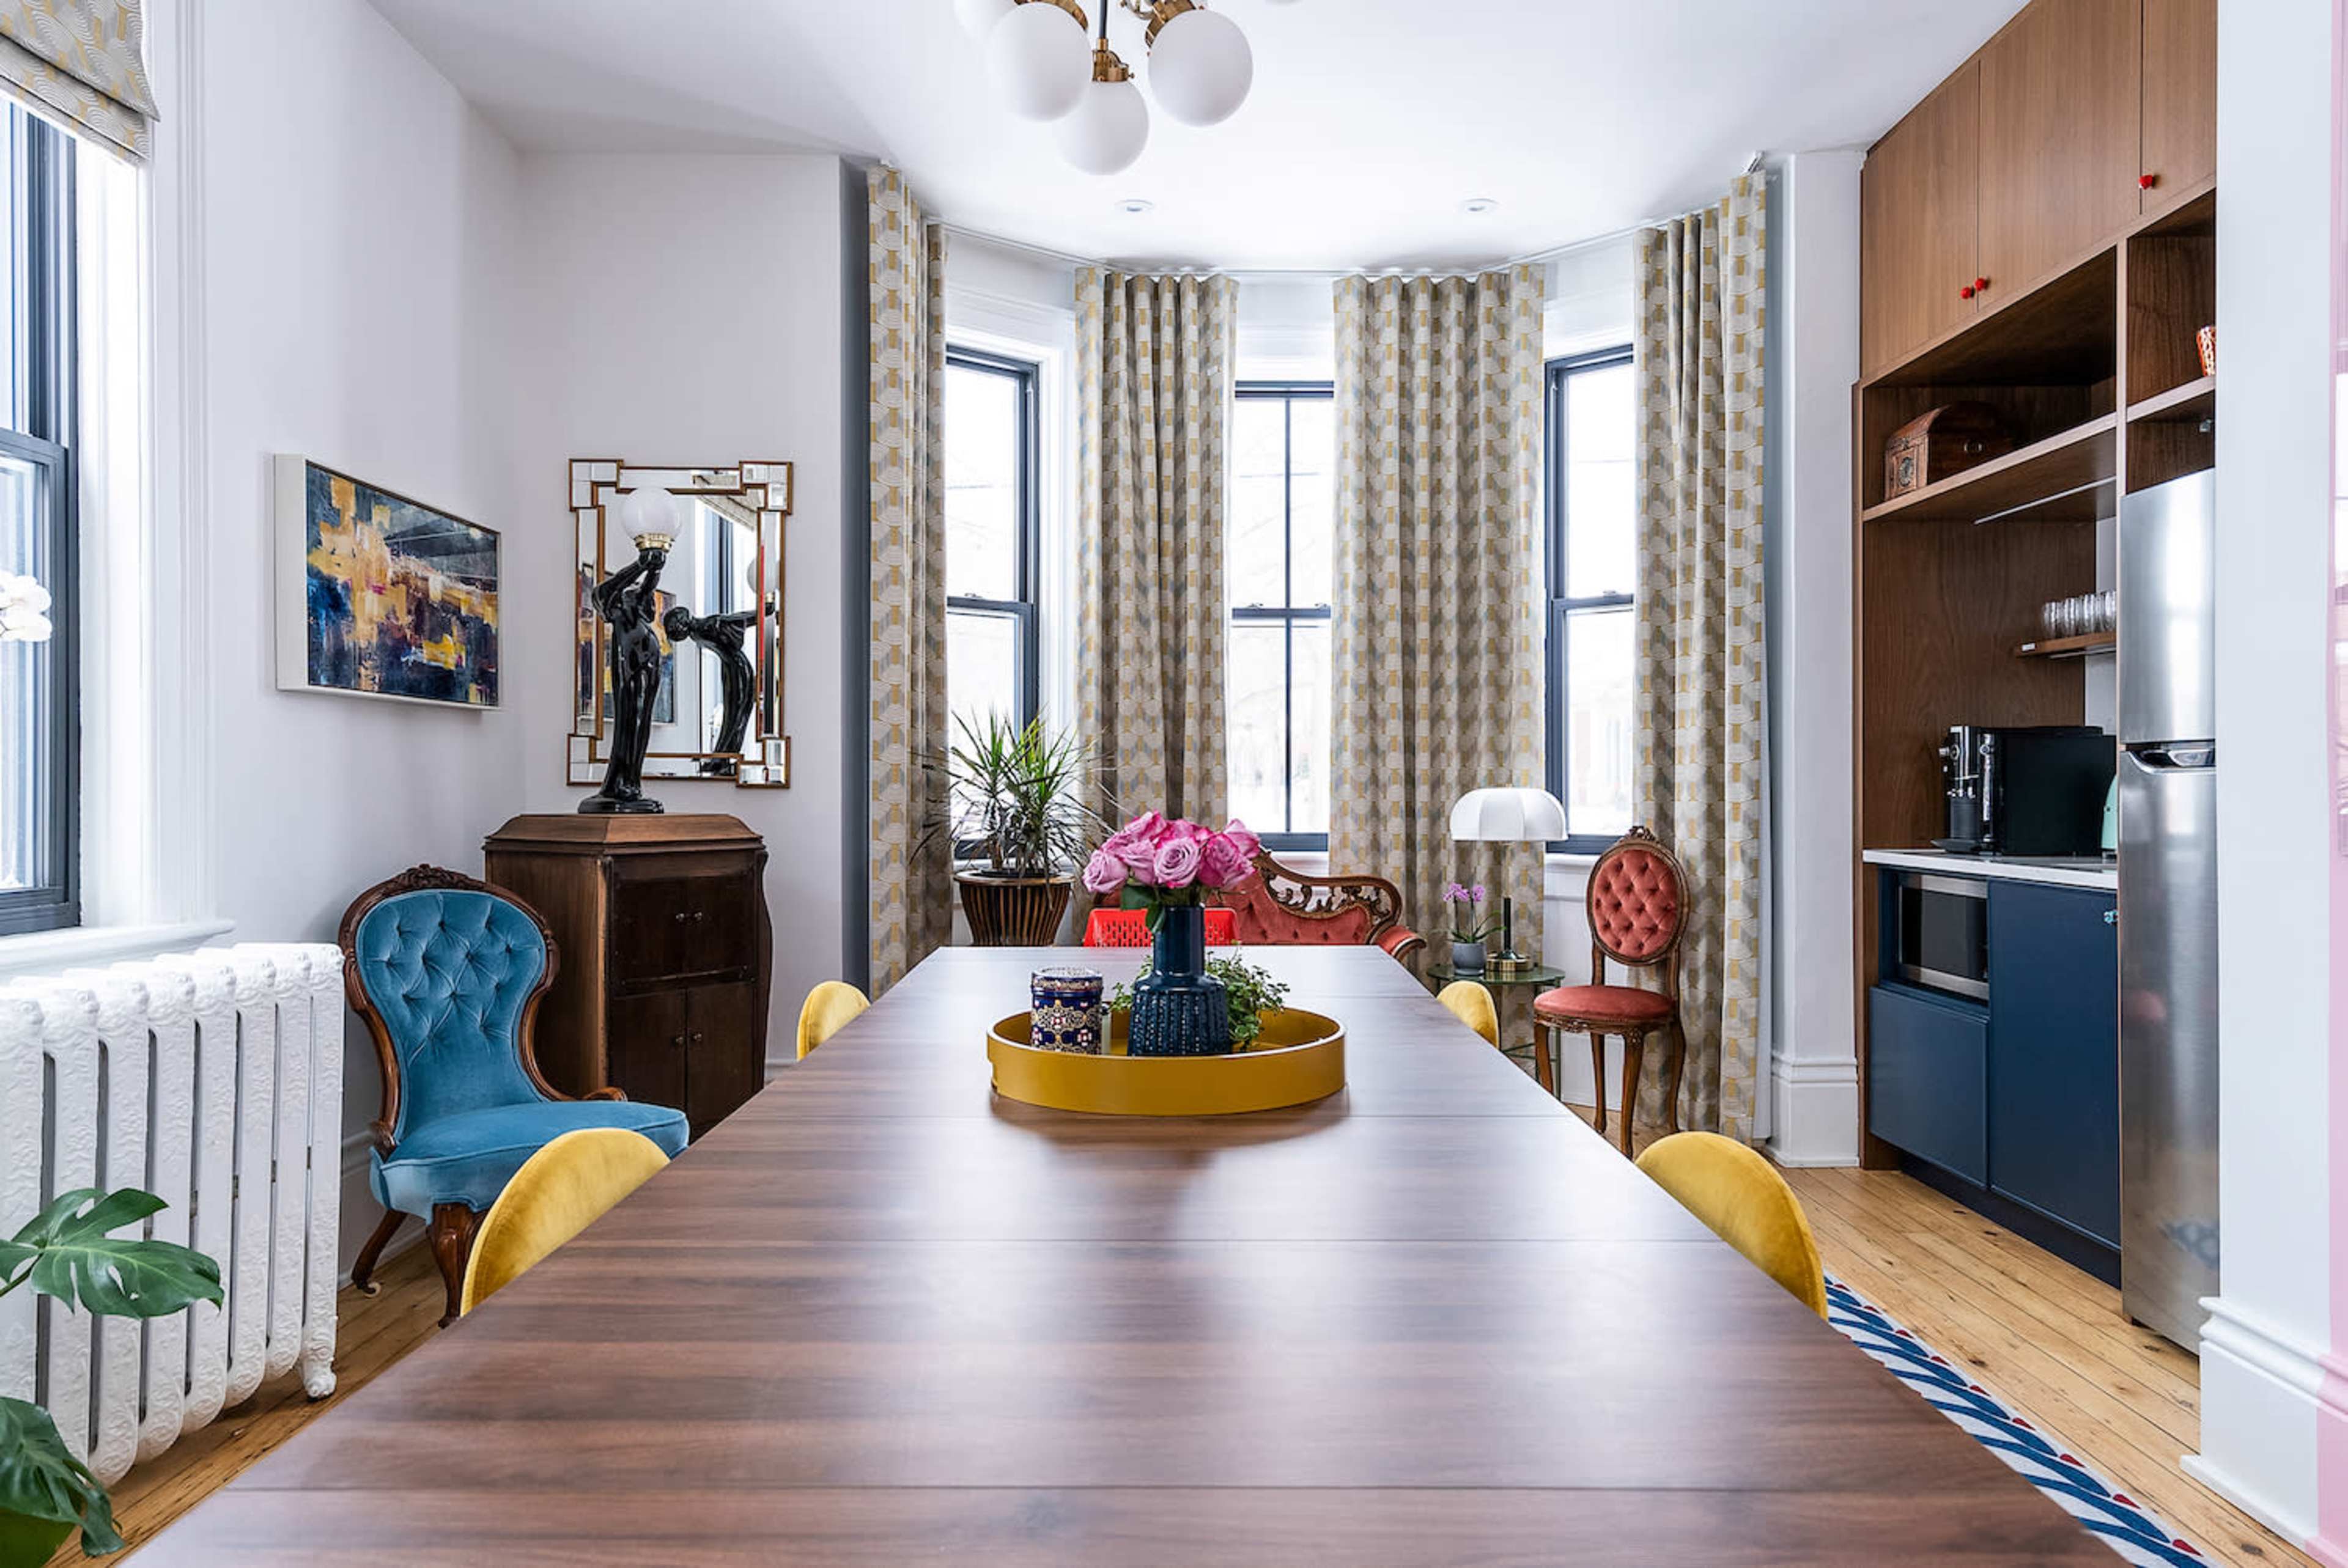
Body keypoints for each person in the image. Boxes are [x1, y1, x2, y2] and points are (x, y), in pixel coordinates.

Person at [581, 543, 668, 813]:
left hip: (649, 669)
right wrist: (641, 563)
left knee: (641, 728)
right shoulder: (612, 603)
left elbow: (649, 586)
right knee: (629, 725)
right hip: (630, 671)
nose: (644, 599)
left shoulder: (640, 609)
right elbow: (614, 586)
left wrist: (656, 565)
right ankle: (618, 785)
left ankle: (632, 784)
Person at [663, 603, 761, 775]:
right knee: (733, 715)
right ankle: (722, 758)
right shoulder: (697, 633)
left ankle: (725, 758)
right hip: (730, 668)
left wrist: (764, 611)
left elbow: (741, 618)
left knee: (737, 715)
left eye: (673, 629)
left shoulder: (709, 625)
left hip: (738, 668)